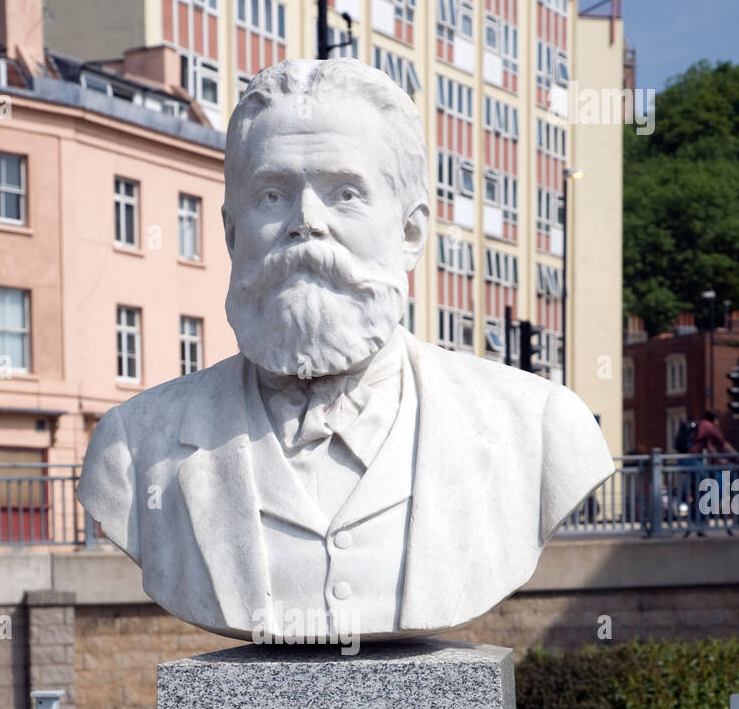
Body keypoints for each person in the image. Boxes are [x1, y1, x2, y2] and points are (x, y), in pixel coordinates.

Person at [77, 58, 614, 641]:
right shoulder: (132, 448)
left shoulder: (539, 427)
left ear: (410, 232)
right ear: (231, 232)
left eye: (345, 193)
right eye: (273, 194)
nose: (306, 224)